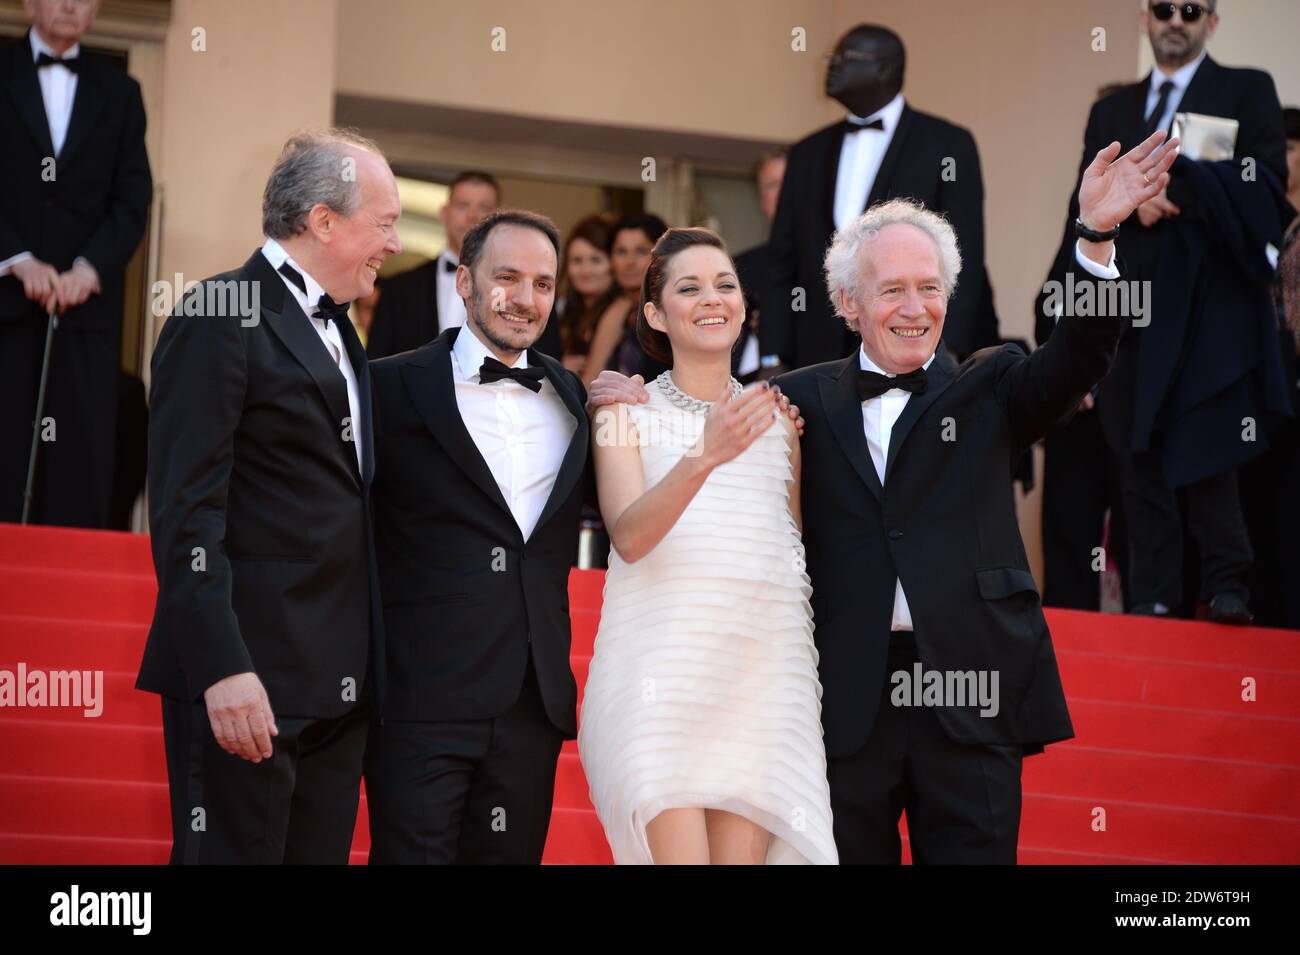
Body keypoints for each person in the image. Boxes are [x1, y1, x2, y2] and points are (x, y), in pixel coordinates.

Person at [592, 130, 1181, 863]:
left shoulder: (995, 384)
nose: (915, 306)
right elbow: (706, 421)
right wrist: (635, 396)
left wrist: (1095, 238)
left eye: (929, 287)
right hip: (846, 701)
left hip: (970, 691)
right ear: (847, 301)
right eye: (892, 289)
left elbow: (1080, 355)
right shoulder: (788, 404)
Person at [137, 129, 400, 863]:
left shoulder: (346, 333)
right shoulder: (220, 311)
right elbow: (188, 512)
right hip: (246, 679)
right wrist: (221, 665)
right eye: (384, 222)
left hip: (333, 690)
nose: (395, 243)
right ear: (323, 220)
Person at [579, 228, 837, 865]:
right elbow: (631, 536)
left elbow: (792, 562)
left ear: (745, 306)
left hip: (758, 685)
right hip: (658, 681)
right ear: (654, 314)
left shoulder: (780, 424)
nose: (711, 299)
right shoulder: (623, 414)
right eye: (688, 287)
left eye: (725, 285)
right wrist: (706, 452)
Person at [1037, 0, 1288, 624]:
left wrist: (1181, 186)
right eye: (1163, 8)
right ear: (1144, 18)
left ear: (1212, 21)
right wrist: (1125, 206)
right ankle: (1152, 600)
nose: (1176, 19)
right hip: (1126, 311)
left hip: (1208, 315)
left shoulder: (1247, 90)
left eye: (1191, 9)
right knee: (1133, 455)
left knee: (1208, 449)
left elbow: (1264, 192)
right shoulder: (1112, 109)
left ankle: (1228, 587)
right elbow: (1084, 209)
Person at [364, 210, 589, 864]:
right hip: (420, 696)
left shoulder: (571, 396)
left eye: (543, 283)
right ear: (464, 282)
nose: (526, 298)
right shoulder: (387, 386)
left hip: (530, 700)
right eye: (507, 278)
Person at [759, 23, 998, 373]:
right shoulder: (807, 152)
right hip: (815, 357)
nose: (832, 65)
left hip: (913, 346)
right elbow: (782, 260)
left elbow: (964, 256)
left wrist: (947, 350)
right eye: (832, 57)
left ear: (885, 68)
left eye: (846, 57)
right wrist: (772, 355)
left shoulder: (947, 144)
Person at [0, 0, 152, 527]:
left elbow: (133, 198)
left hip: (84, 318)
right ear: (27, 3)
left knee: (77, 469)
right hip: (6, 306)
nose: (68, 4)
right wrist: (18, 260)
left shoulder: (121, 93)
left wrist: (90, 268)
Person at [365, 172, 563, 360]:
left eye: (484, 207)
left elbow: (547, 358)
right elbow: (376, 365)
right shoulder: (398, 288)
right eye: (463, 206)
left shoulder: (533, 295)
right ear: (444, 213)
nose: (472, 216)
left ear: (499, 215)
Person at [583, 213, 668, 387]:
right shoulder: (614, 309)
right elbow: (591, 382)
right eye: (621, 252)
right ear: (611, 259)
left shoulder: (672, 311)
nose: (629, 262)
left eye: (641, 251)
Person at [733, 148, 786, 382]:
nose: (783, 192)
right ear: (761, 197)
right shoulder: (737, 267)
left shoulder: (837, 262)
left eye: (789, 182)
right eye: (773, 184)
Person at [555, 213, 615, 376]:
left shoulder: (622, 312)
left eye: (596, 260)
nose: (585, 271)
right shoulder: (562, 310)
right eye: (577, 260)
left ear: (614, 262)